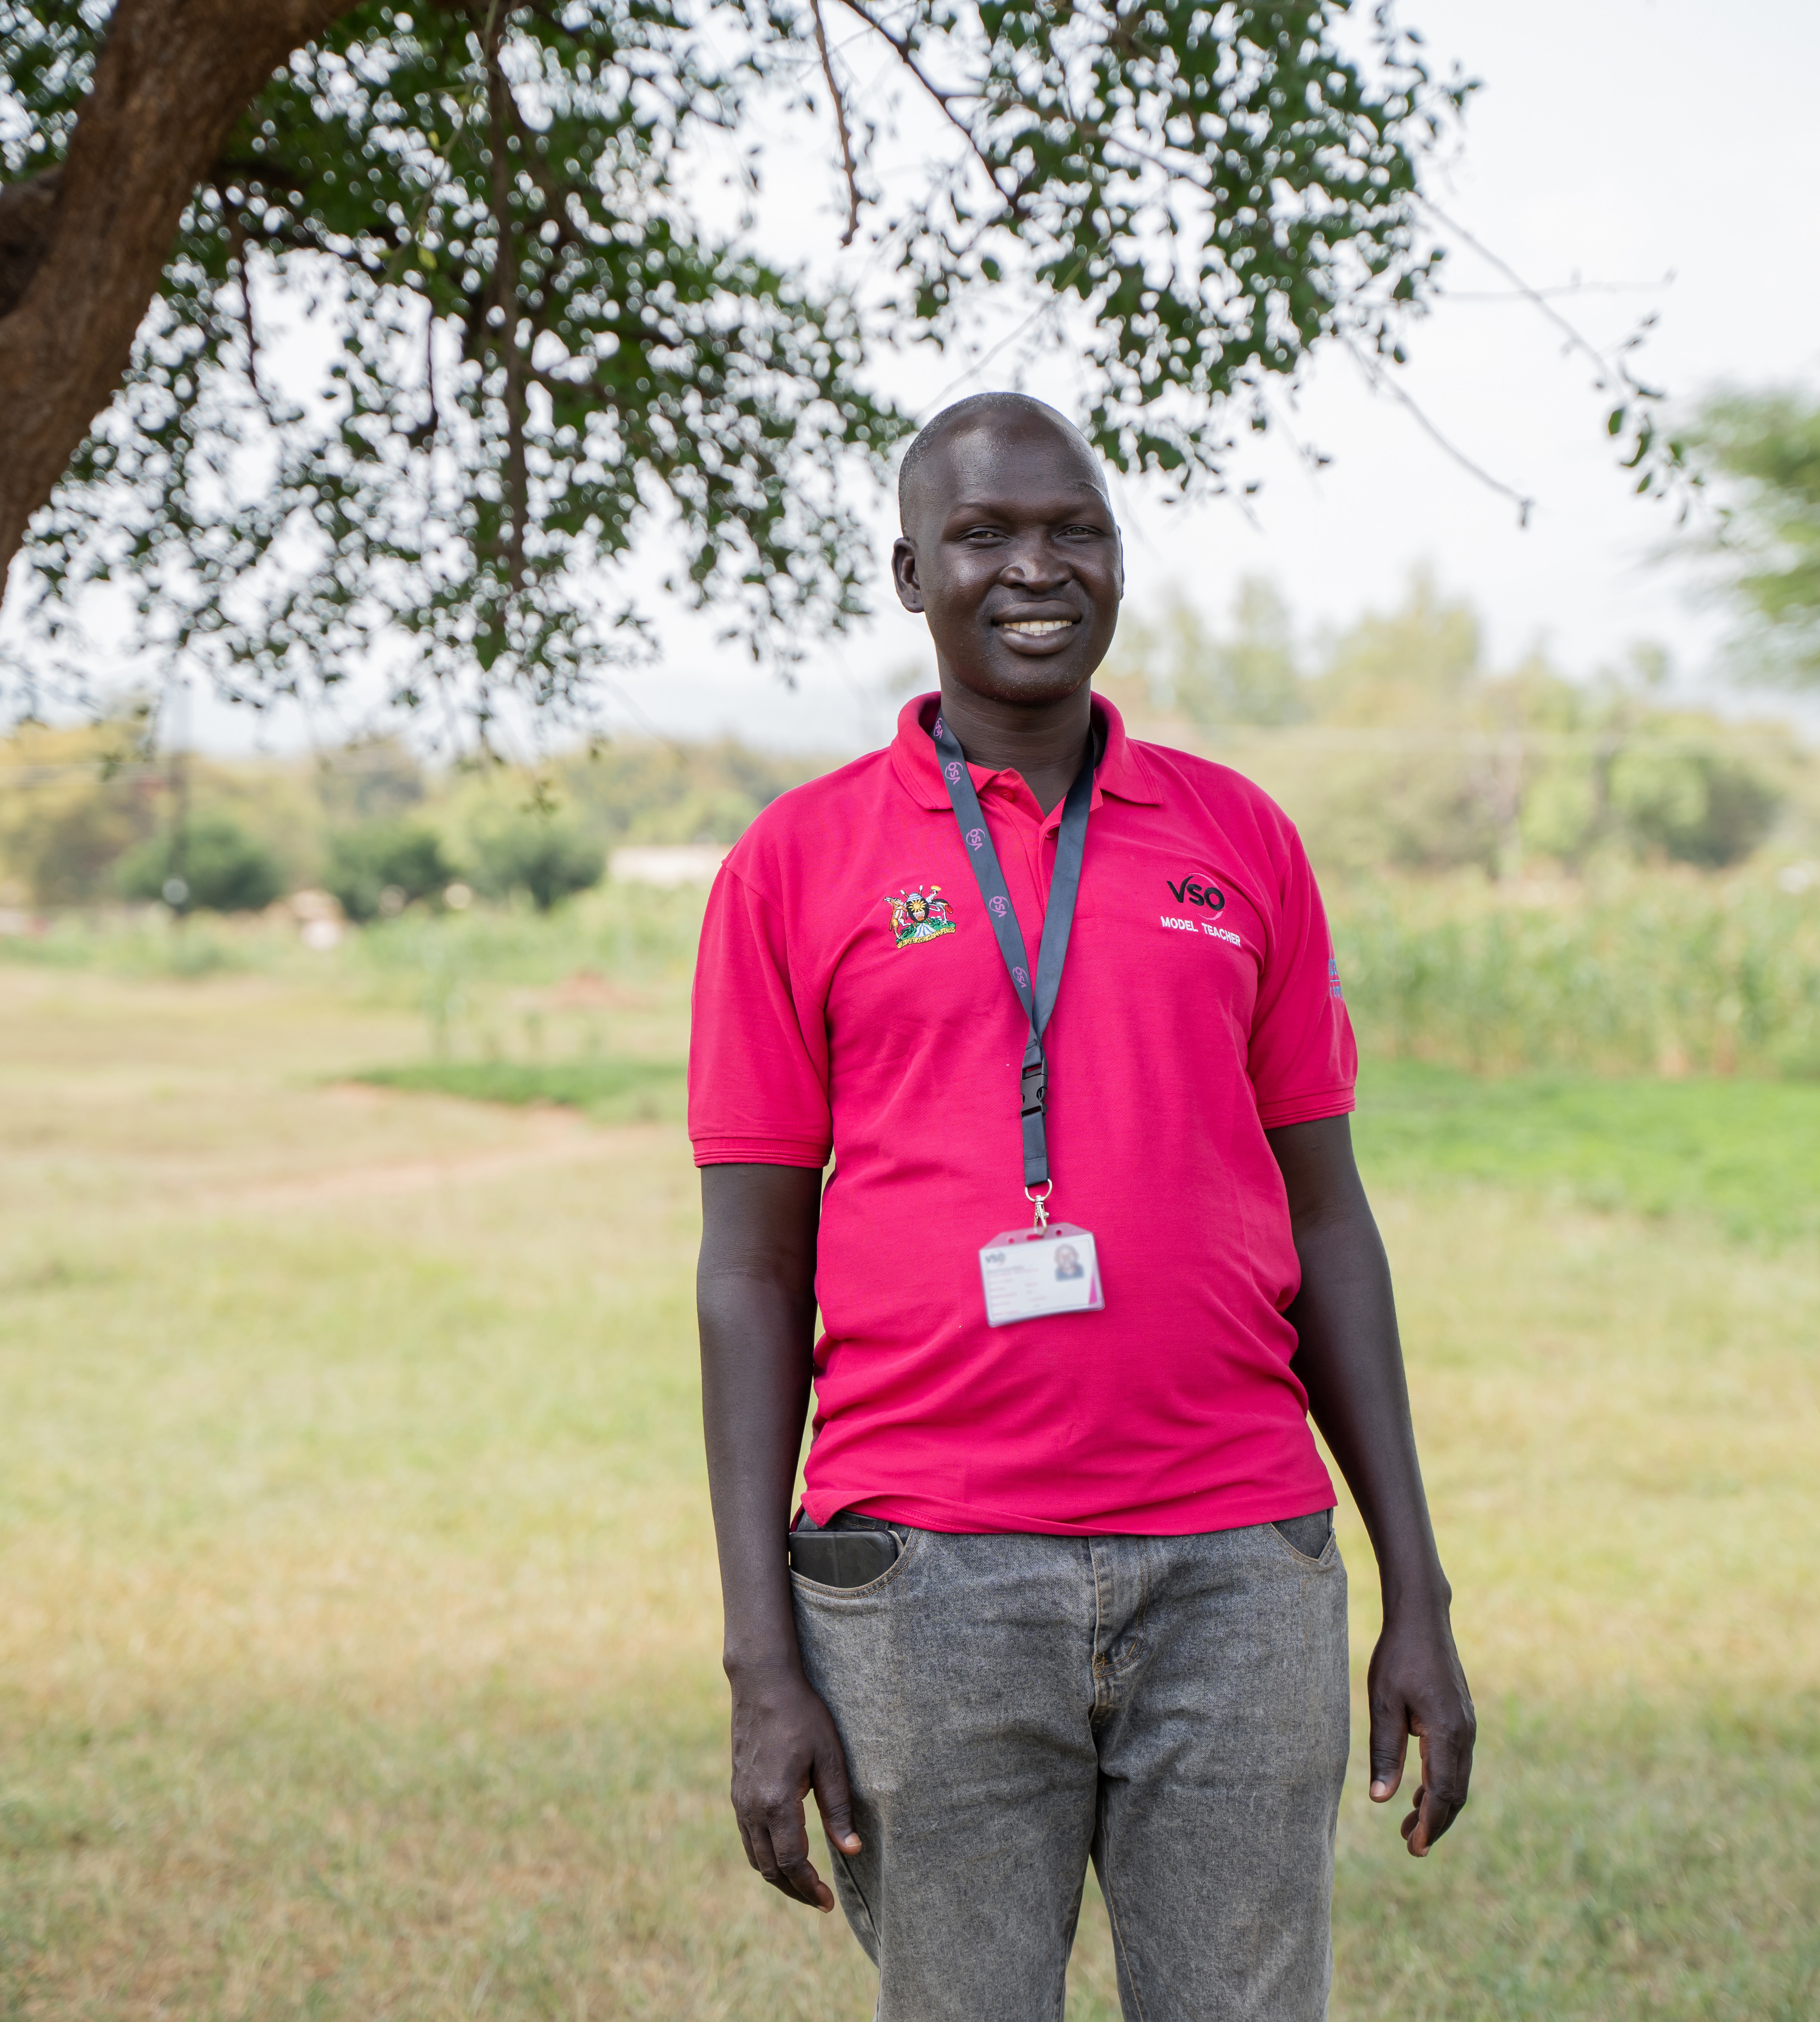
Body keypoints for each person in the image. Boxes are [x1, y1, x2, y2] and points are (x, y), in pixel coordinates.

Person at [691, 391, 1474, 2022]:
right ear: (912, 574)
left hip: (1238, 1569)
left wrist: (1420, 1591)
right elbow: (752, 1272)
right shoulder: (796, 864)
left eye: (1076, 531)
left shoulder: (1239, 838)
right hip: (924, 1579)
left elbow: (1330, 1220)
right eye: (984, 534)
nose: (1035, 567)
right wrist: (764, 1656)